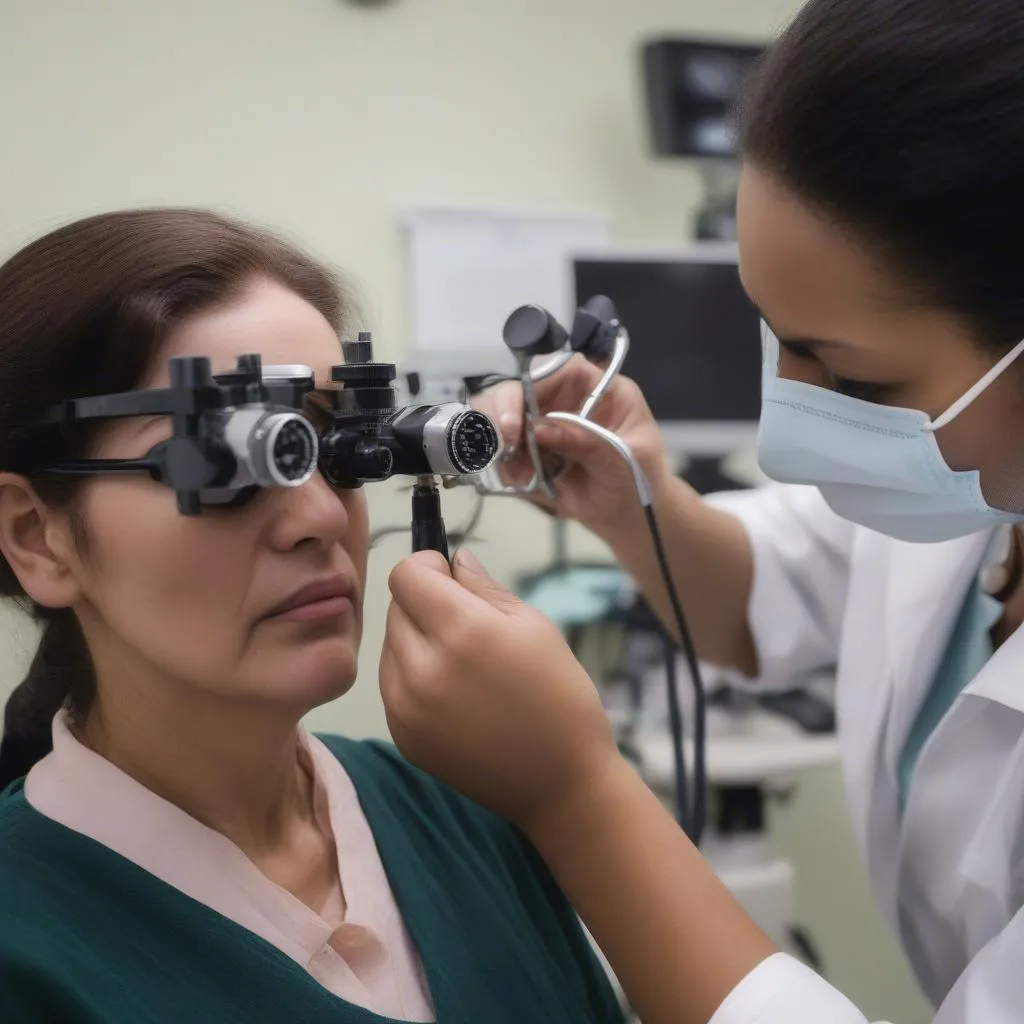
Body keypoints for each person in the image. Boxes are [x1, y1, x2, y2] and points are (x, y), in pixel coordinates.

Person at [376, 2, 1024, 1022]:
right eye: (775, 338)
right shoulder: (986, 482)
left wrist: (573, 793)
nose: (786, 431)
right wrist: (639, 501)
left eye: (848, 377)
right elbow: (776, 592)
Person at [0, 209, 626, 1024]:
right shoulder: (25, 945)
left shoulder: (469, 812)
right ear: (37, 537)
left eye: (333, 442)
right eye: (228, 454)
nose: (322, 516)